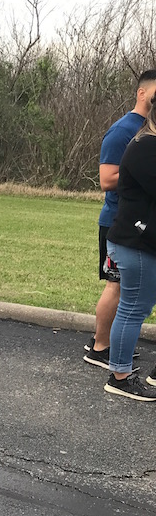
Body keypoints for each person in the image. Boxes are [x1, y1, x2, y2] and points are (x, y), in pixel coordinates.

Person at [85, 70, 156, 369]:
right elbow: (106, 178)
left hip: (142, 225)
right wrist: (137, 175)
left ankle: (114, 346)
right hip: (121, 221)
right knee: (117, 289)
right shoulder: (124, 131)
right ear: (142, 94)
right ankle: (101, 347)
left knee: (129, 294)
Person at [102, 95, 156, 401]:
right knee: (133, 308)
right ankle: (119, 376)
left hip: (140, 240)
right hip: (136, 242)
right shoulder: (146, 146)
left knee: (137, 306)